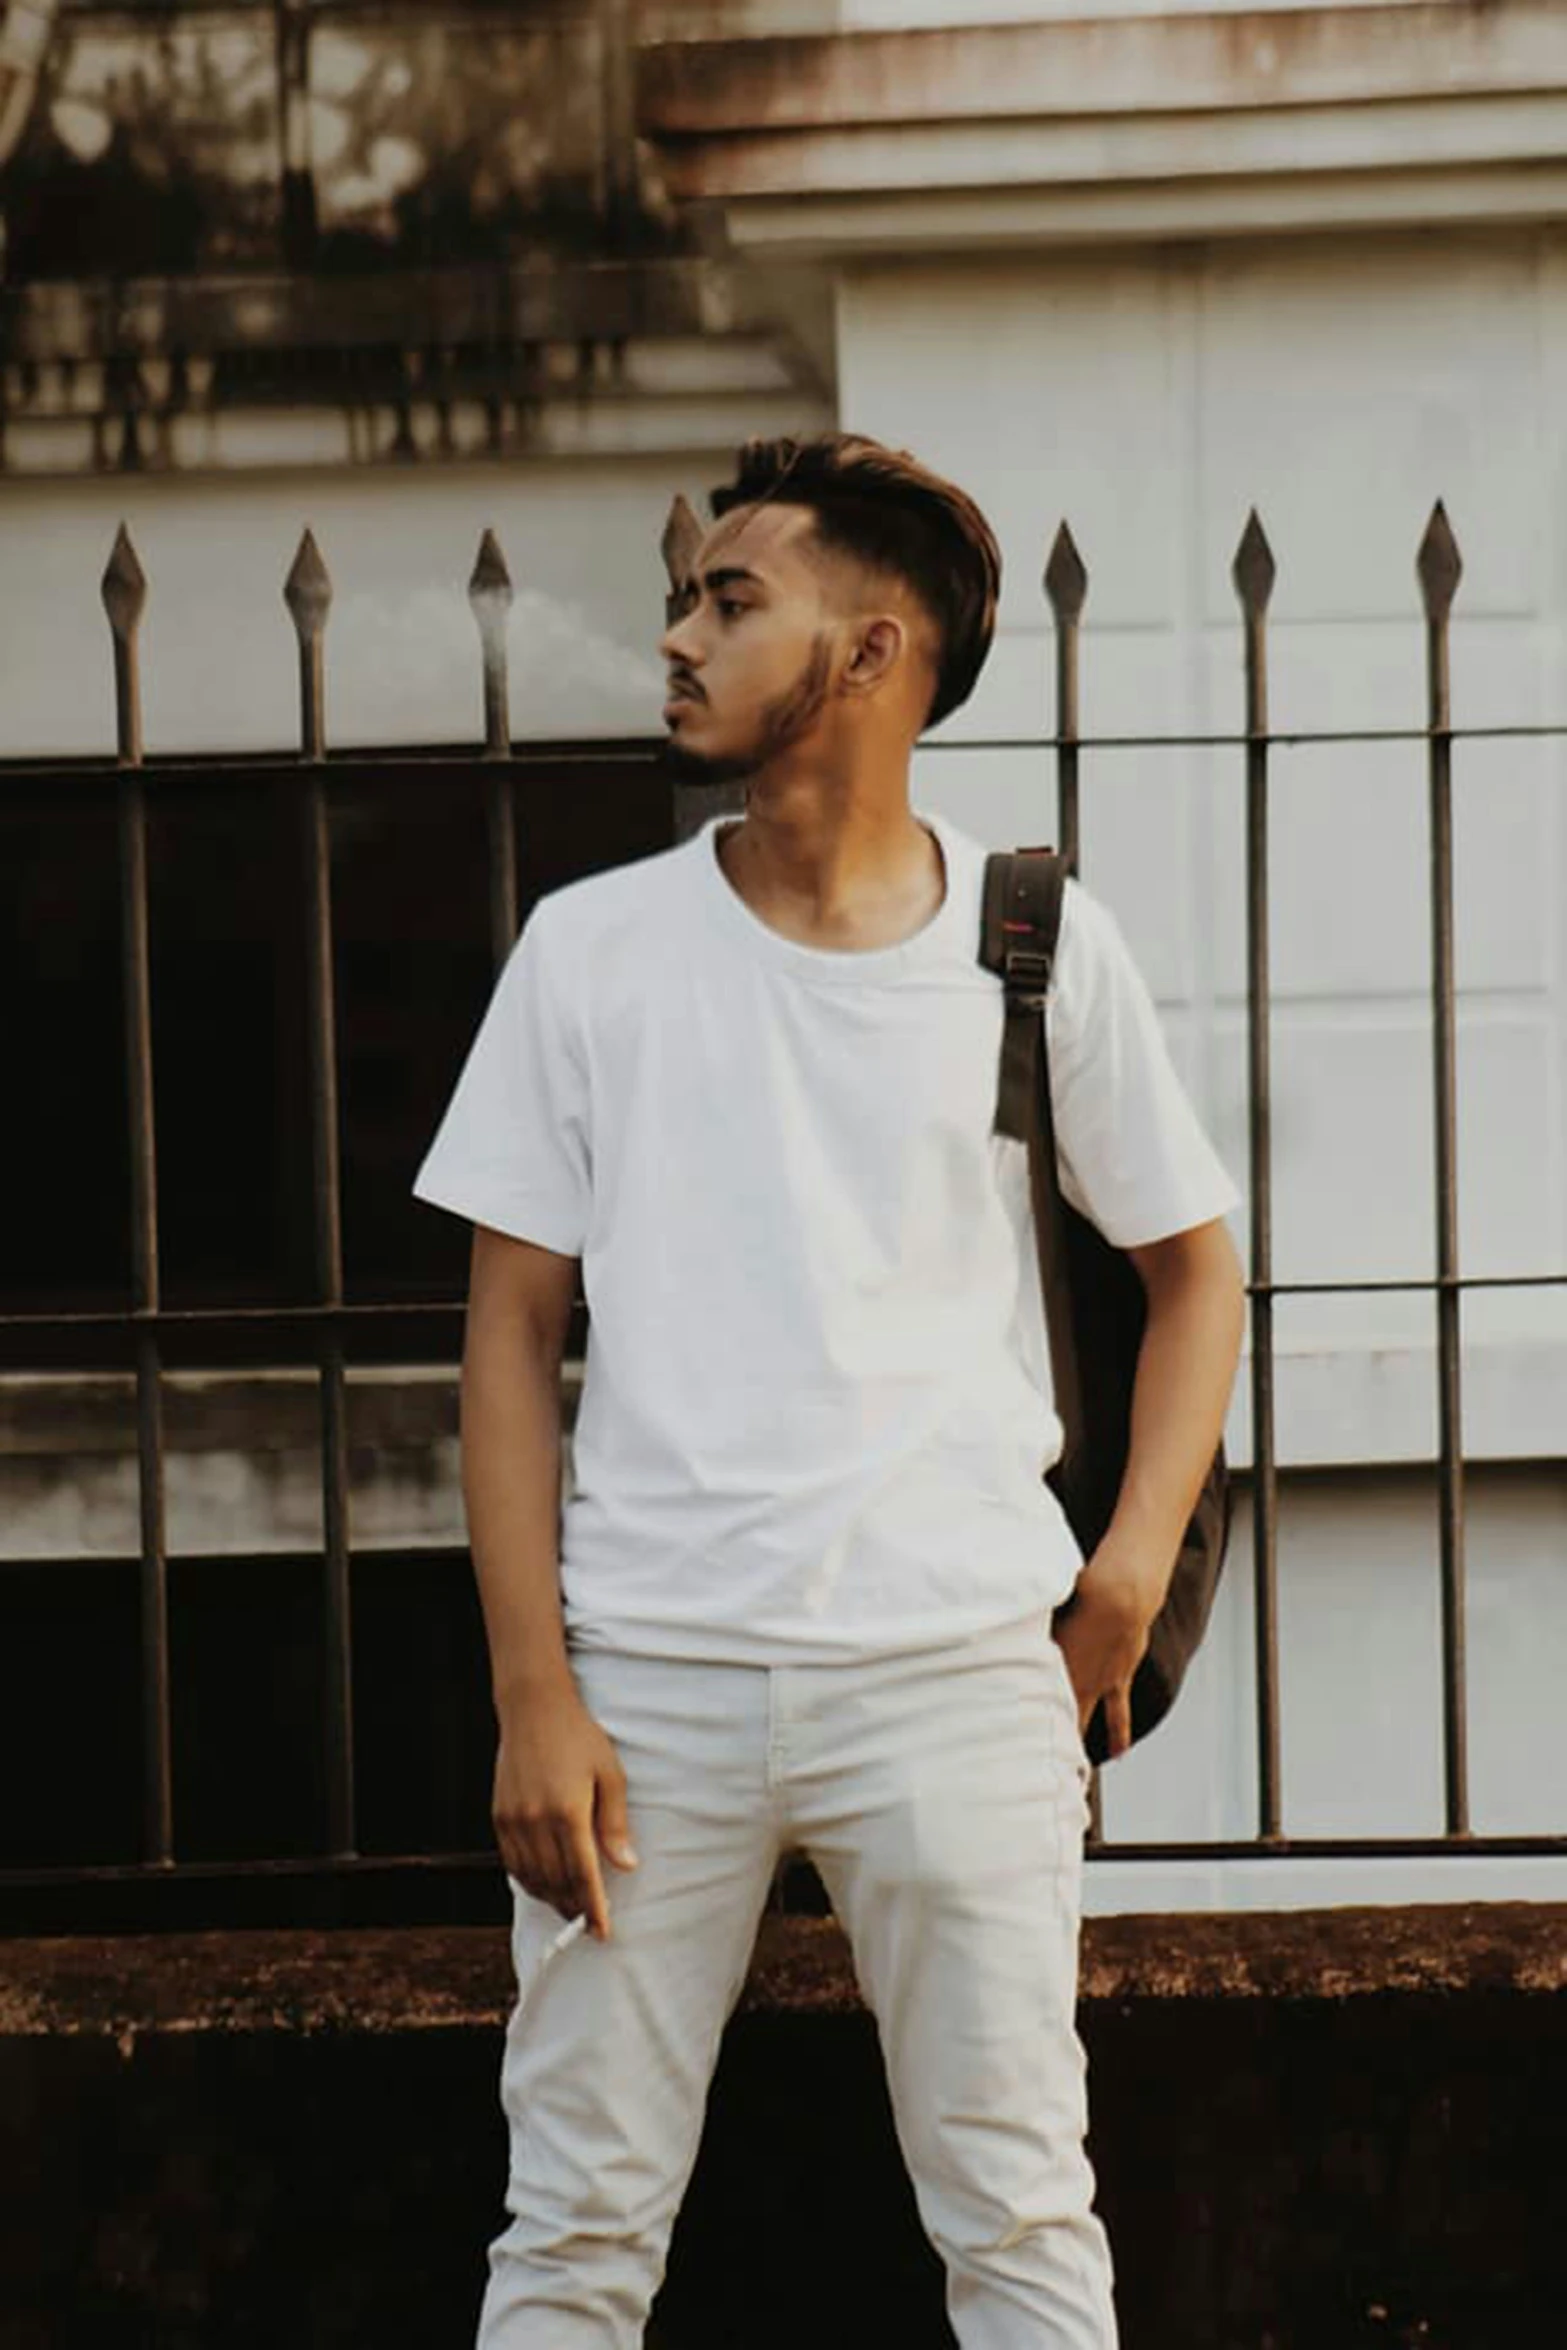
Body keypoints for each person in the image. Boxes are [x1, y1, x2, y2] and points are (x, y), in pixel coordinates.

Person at [413, 432, 1246, 2349]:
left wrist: (1119, 1577)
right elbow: (509, 1333)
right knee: (571, 2236)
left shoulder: (1031, 939)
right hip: (649, 1679)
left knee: (1023, 2221)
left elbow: (1195, 1270)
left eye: (729, 598)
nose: (676, 637)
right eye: (686, 598)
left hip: (958, 1666)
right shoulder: (593, 952)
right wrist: (532, 1690)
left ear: (871, 655)